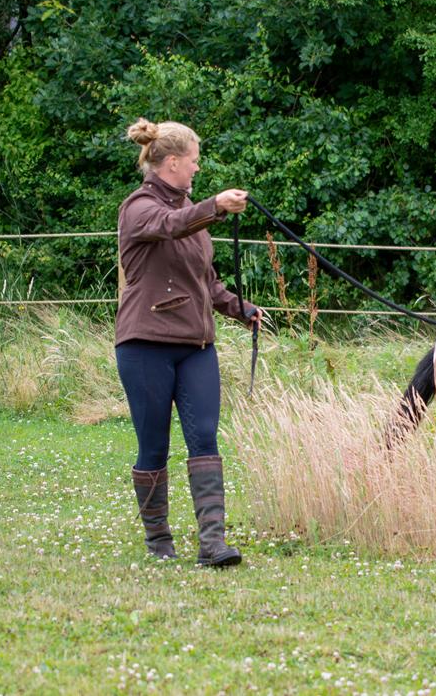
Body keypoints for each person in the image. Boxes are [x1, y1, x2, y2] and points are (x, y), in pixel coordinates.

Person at [116, 117, 261, 567]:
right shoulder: (138, 208)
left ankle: (212, 543)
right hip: (145, 344)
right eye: (194, 162)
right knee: (153, 445)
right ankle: (158, 540)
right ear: (173, 162)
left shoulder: (191, 212)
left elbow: (205, 282)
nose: (198, 170)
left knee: (204, 437)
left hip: (196, 346)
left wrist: (240, 308)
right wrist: (215, 206)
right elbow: (170, 224)